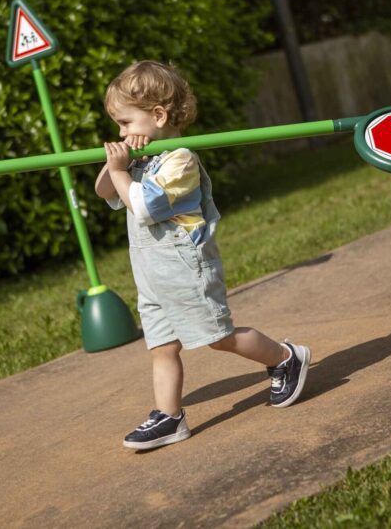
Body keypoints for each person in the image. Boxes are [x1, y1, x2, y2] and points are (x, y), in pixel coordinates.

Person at [94, 60, 311, 451]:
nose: (121, 133)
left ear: (158, 115)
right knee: (162, 347)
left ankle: (285, 357)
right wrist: (116, 164)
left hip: (184, 269)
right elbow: (105, 192)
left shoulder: (180, 161)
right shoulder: (137, 159)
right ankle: (170, 417)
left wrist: (122, 171)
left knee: (218, 338)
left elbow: (142, 206)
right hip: (150, 274)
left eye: (125, 123)